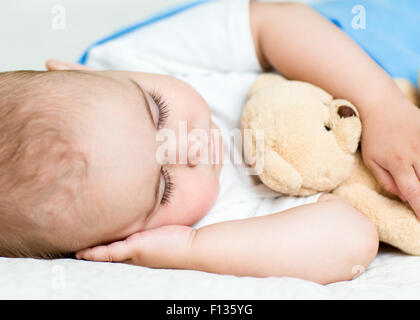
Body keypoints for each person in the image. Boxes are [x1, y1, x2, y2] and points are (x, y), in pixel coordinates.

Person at [0, 0, 418, 284]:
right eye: (165, 186)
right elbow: (352, 239)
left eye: (159, 111)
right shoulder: (201, 229)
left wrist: (380, 104)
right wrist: (193, 250)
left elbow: (272, 21)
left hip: (368, 57)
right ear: (113, 241)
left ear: (79, 71)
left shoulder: (127, 63)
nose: (194, 146)